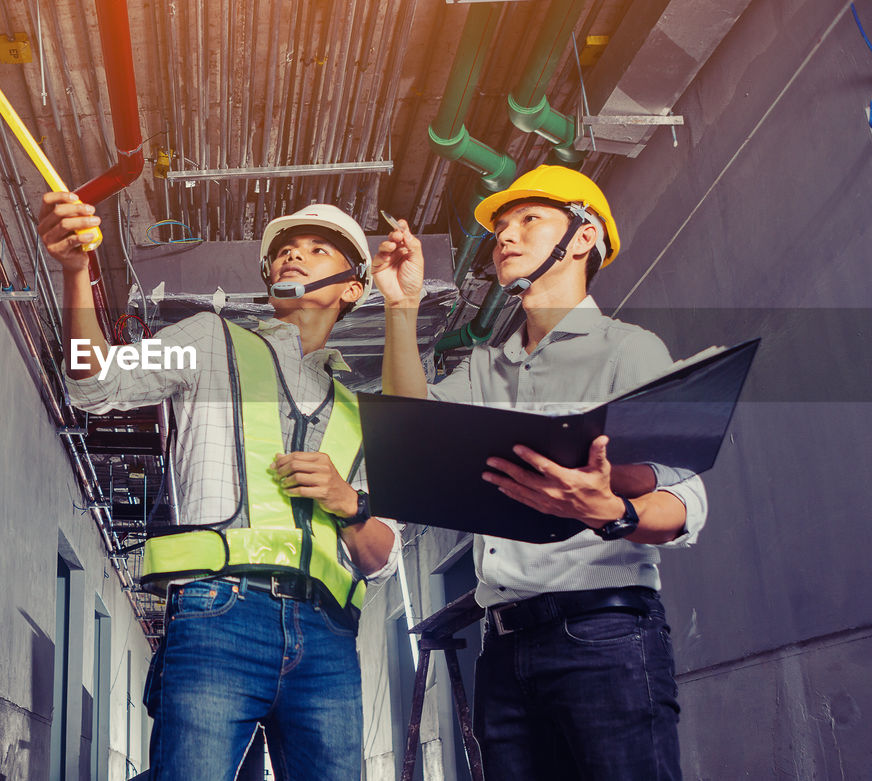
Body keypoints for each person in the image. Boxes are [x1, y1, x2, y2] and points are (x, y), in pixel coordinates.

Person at [39, 192, 402, 781]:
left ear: (352, 287)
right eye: (283, 251)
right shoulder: (210, 341)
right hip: (217, 614)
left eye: (316, 250)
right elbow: (96, 385)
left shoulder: (366, 416)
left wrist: (349, 505)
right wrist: (76, 271)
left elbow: (382, 560)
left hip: (328, 639)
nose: (292, 257)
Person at [375, 165, 706, 780]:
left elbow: (687, 495)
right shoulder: (484, 370)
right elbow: (409, 428)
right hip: (501, 647)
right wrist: (401, 306)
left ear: (583, 238)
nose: (505, 235)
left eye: (528, 219)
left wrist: (611, 511)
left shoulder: (626, 350)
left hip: (604, 633)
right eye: (500, 225)